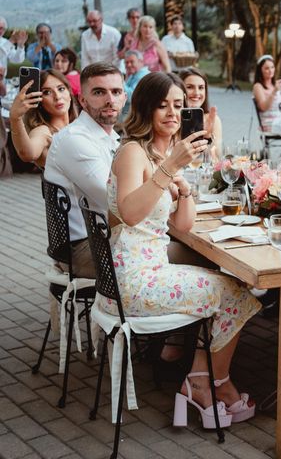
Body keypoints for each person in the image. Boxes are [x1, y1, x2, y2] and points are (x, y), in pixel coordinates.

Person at [108, 71, 261, 427]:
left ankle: (201, 379)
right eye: (163, 105)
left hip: (149, 267)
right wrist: (170, 168)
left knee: (231, 286)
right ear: (145, 108)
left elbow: (182, 226)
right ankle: (210, 384)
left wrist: (184, 187)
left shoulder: (157, 154)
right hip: (132, 281)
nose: (173, 113)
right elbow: (130, 213)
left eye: (178, 105)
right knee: (236, 294)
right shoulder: (132, 151)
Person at [44, 62, 126, 279]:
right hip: (82, 248)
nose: (110, 99)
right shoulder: (75, 140)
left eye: (116, 92)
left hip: (111, 235)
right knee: (194, 257)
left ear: (124, 98)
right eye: (99, 92)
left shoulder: (111, 138)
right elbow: (116, 201)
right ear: (82, 99)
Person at [10, 70, 77, 169]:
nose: (57, 97)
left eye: (61, 89)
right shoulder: (43, 132)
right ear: (39, 101)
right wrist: (15, 118)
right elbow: (27, 154)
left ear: (69, 93)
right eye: (47, 92)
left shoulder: (79, 125)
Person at [179, 67, 222, 158]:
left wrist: (207, 138)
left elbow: (217, 158)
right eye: (190, 87)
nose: (196, 93)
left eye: (201, 87)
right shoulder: (172, 118)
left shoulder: (212, 120)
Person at [252, 54, 281, 135]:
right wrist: (274, 91)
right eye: (267, 68)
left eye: (272, 67)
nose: (270, 70)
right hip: (270, 124)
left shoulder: (275, 85)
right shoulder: (258, 86)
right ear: (260, 70)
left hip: (280, 121)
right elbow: (263, 107)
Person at [122, 50, 150, 116]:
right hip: (130, 114)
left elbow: (131, 97)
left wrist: (119, 81)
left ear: (141, 62)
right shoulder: (134, 74)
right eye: (126, 62)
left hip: (139, 116)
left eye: (132, 62)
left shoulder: (143, 75)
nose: (128, 65)